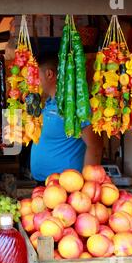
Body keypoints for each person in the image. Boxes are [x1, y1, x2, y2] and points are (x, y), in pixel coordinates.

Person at [30, 51, 103, 185]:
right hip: (45, 183)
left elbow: (95, 146)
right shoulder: (49, 102)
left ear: (49, 74)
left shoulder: (74, 104)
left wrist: (88, 186)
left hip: (67, 187)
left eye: (36, 75)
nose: (33, 80)